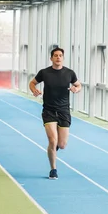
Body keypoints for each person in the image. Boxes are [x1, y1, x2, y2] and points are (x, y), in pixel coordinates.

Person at [29, 47, 82, 180]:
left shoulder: (69, 73)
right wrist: (34, 90)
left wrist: (76, 88)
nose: (58, 58)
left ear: (63, 58)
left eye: (60, 56)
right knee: (52, 141)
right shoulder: (44, 72)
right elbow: (32, 83)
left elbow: (78, 85)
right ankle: (53, 169)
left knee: (62, 144)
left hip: (64, 110)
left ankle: (54, 148)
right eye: (55, 55)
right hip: (49, 110)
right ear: (51, 58)